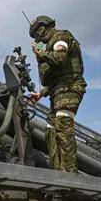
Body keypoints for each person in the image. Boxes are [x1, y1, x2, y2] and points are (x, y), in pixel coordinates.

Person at [27, 16, 87, 173]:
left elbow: (60, 58)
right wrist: (41, 94)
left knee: (63, 125)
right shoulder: (49, 47)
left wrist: (41, 53)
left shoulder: (60, 37)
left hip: (70, 88)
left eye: (37, 34)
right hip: (58, 91)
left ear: (42, 28)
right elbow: (56, 78)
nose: (38, 38)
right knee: (51, 130)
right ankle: (59, 173)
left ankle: (70, 175)